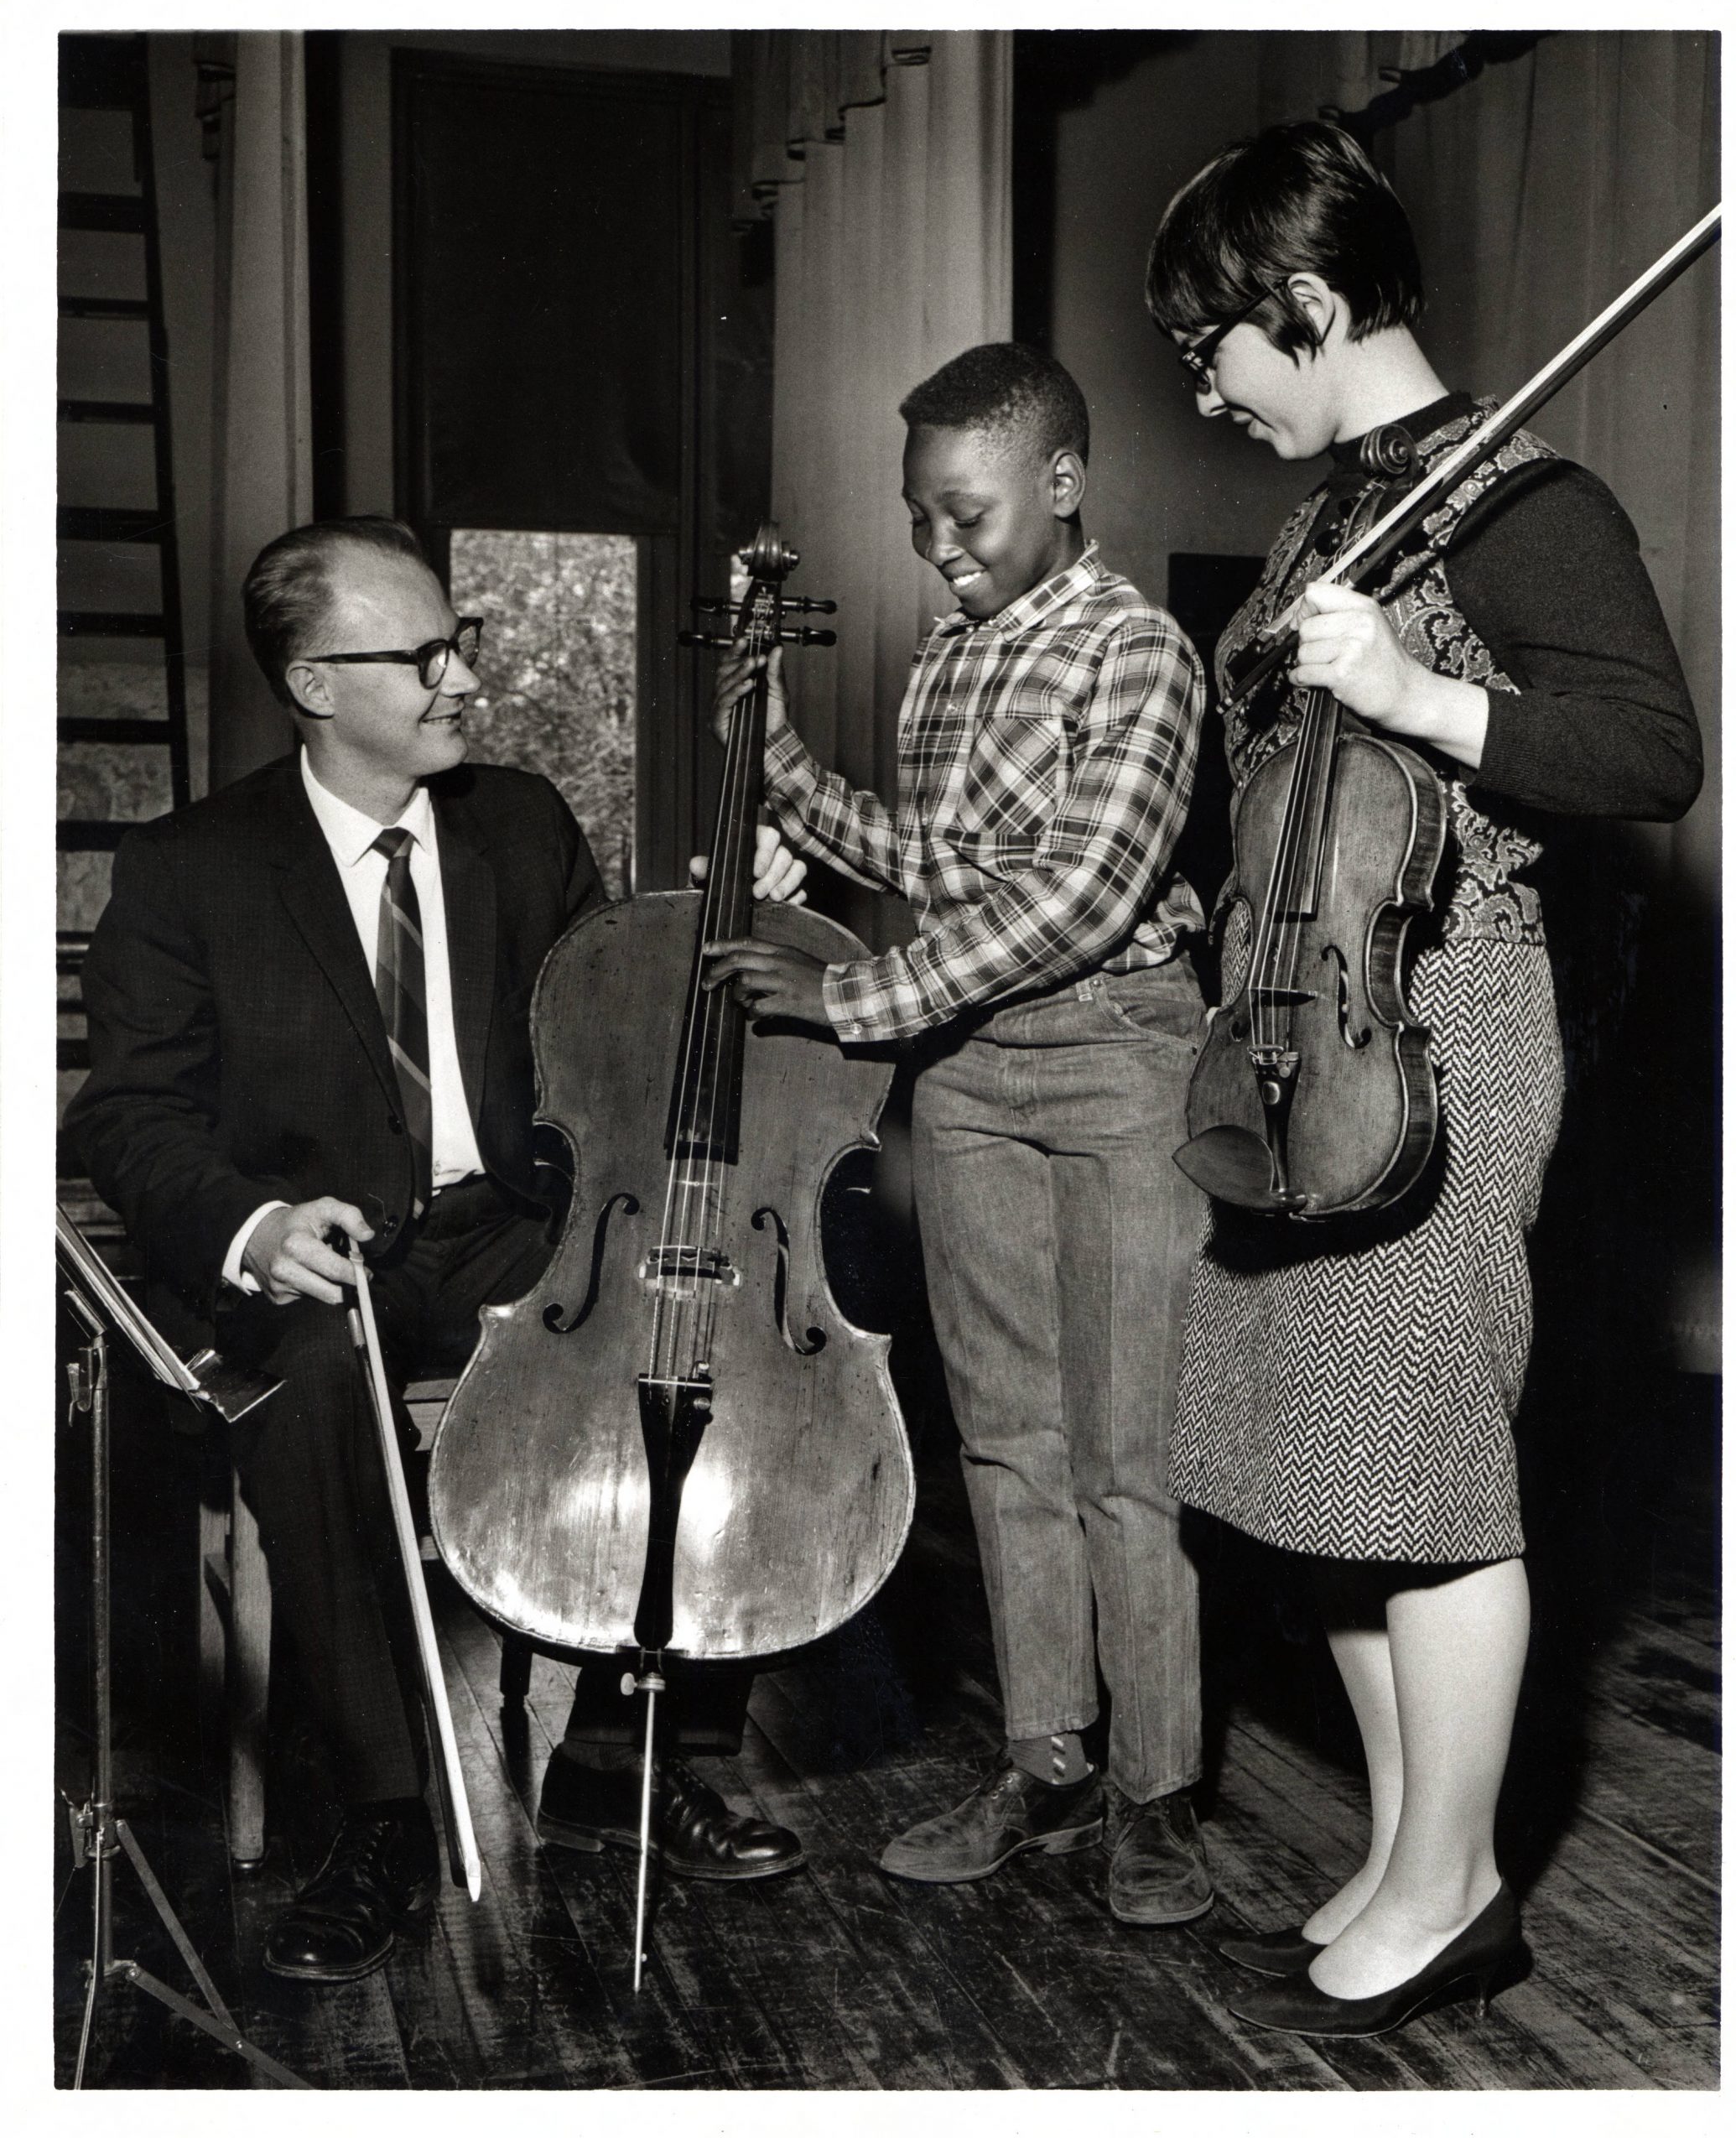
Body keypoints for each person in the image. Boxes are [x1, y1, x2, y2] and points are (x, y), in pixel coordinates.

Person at [67, 516, 811, 1987]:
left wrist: (744, 909)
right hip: (321, 1259)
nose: (462, 674)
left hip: (508, 1231)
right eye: (421, 654)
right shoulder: (188, 868)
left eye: (458, 638)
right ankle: (385, 1815)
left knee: (685, 1346)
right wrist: (254, 1227)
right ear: (312, 683)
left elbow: (618, 1038)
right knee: (317, 1402)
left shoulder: (520, 822)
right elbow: (128, 1119)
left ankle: (617, 1758)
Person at [1142, 122, 1702, 2036]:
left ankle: (1462, 1886)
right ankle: (1403, 1847)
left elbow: (1648, 753)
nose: (1202, 392)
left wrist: (1416, 692)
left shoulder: (1522, 497)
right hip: (1297, 1024)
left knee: (1428, 1474)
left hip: (1439, 1030)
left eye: (1214, 348)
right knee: (1322, 1474)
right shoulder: (1336, 507)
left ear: (1303, 306)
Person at [704, 344, 1214, 1925]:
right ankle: (1048, 1763)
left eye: (965, 514)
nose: (938, 545)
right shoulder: (946, 654)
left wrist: (853, 1001)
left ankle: (1157, 1797)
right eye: (918, 517)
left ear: (1060, 485)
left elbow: (1078, 900)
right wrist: (776, 761)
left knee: (1131, 1461)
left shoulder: (1138, 653)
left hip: (1120, 1059)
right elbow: (932, 864)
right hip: (969, 1072)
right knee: (1005, 1441)